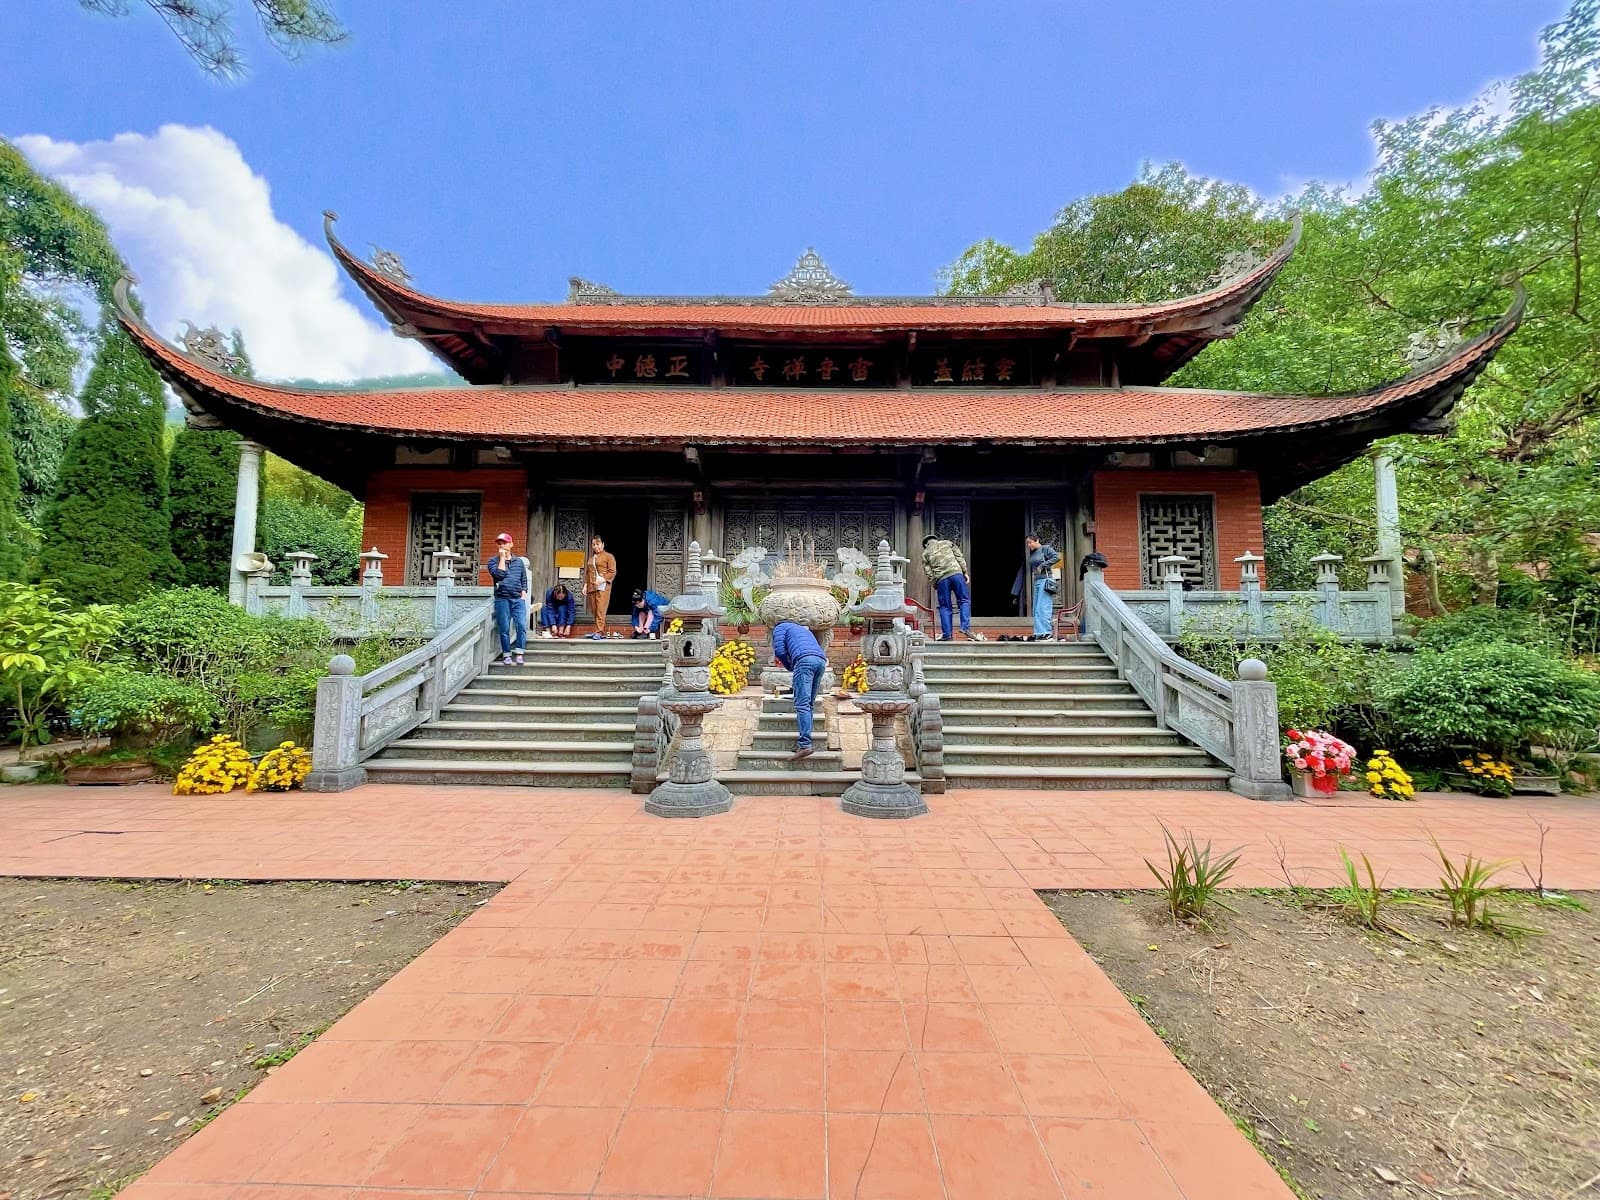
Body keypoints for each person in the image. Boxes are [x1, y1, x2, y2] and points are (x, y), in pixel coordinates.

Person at [771, 619, 827, 760]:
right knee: (808, 704)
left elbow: (779, 651)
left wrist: (789, 666)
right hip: (820, 660)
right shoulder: (802, 630)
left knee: (802, 704)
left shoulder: (780, 627)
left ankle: (805, 745)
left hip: (804, 661)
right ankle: (805, 742)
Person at [920, 533, 984, 642]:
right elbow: (959, 557)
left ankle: (947, 635)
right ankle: (965, 627)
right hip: (956, 574)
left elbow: (929, 572)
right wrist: (965, 572)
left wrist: (935, 583)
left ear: (926, 544)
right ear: (936, 540)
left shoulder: (925, 553)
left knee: (945, 606)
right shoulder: (947, 543)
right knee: (964, 600)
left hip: (941, 579)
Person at [483, 532, 529, 665]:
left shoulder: (519, 562)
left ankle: (520, 652)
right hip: (502, 599)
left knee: (521, 625)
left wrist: (523, 594)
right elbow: (500, 575)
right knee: (504, 628)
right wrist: (502, 558)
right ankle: (507, 654)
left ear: (511, 544)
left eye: (504, 542)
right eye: (499, 543)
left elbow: (523, 580)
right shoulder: (493, 561)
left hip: (517, 599)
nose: (502, 545)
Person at [1023, 532, 1062, 641]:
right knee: (1036, 608)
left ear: (1037, 540)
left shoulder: (1045, 549)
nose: (1028, 545)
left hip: (1046, 580)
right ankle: (1039, 633)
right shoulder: (1033, 553)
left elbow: (1057, 557)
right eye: (1027, 543)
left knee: (1043, 607)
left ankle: (1046, 633)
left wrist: (1043, 565)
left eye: (1030, 542)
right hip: (1037, 581)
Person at [583, 535, 617, 639]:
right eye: (593, 545)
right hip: (592, 586)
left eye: (597, 544)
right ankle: (597, 630)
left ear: (602, 544)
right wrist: (585, 585)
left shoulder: (608, 556)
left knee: (601, 609)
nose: (595, 546)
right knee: (594, 609)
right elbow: (588, 573)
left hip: (603, 586)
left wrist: (602, 579)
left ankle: (600, 631)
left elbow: (612, 572)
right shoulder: (591, 558)